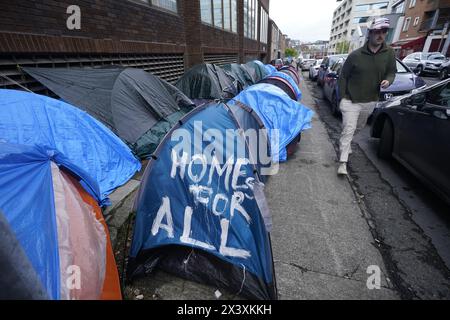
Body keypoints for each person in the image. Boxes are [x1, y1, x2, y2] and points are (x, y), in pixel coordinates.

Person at [336, 17, 397, 175]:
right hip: (351, 100)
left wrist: (388, 81)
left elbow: (391, 72)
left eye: (384, 32)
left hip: (370, 100)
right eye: (377, 32)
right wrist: (342, 97)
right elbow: (343, 76)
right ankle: (342, 162)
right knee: (348, 129)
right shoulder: (355, 55)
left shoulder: (389, 53)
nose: (380, 35)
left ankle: (345, 144)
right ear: (369, 33)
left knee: (358, 127)